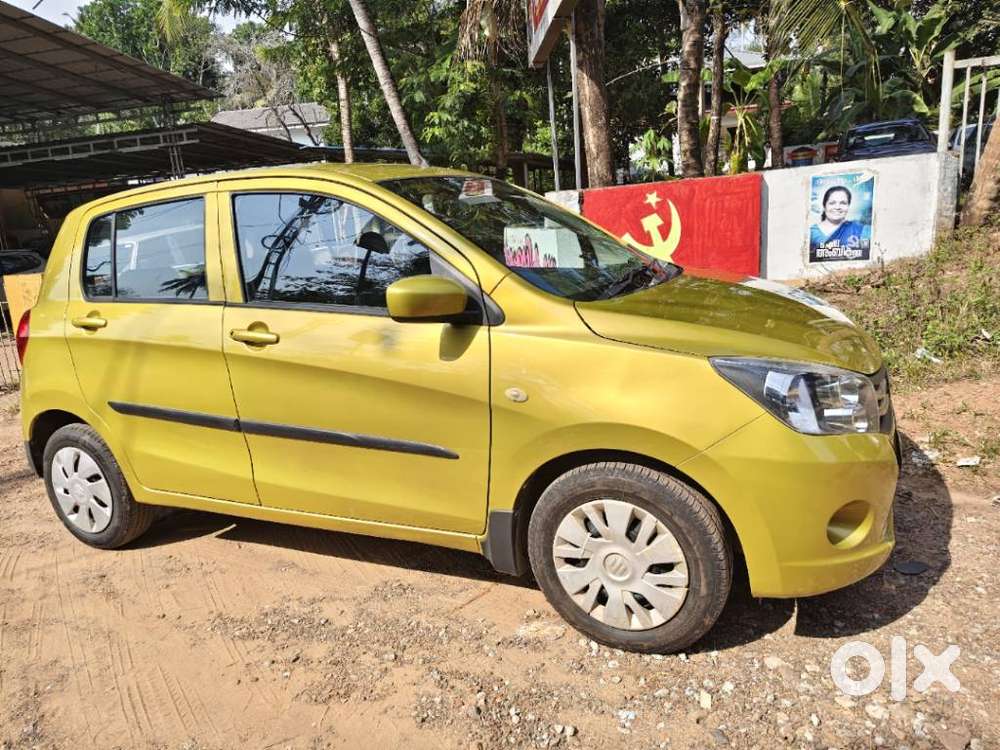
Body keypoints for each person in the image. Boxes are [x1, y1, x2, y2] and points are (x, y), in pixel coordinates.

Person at [809, 185, 870, 258]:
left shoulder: (861, 229)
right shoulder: (811, 234)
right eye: (832, 203)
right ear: (824, 206)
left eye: (843, 203)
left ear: (848, 206)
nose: (837, 207)